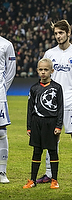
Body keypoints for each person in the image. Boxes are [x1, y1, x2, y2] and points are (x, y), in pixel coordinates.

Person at [38, 20, 72, 185]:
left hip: (71, 102)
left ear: (68, 33)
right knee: (52, 137)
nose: (58, 36)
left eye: (61, 33)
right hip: (53, 103)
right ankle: (48, 173)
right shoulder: (49, 53)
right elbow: (45, 77)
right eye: (56, 33)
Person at [23, 58, 63, 189]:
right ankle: (32, 180)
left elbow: (60, 108)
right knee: (36, 151)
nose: (43, 72)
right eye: (41, 70)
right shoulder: (34, 88)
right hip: (36, 123)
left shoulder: (57, 87)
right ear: (37, 71)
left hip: (51, 123)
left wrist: (58, 125)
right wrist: (29, 127)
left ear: (51, 71)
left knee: (53, 151)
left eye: (46, 70)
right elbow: (30, 109)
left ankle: (54, 180)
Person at [0, 36, 16, 183]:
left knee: (1, 132)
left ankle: (2, 171)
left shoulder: (6, 44)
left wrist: (3, 90)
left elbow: (11, 71)